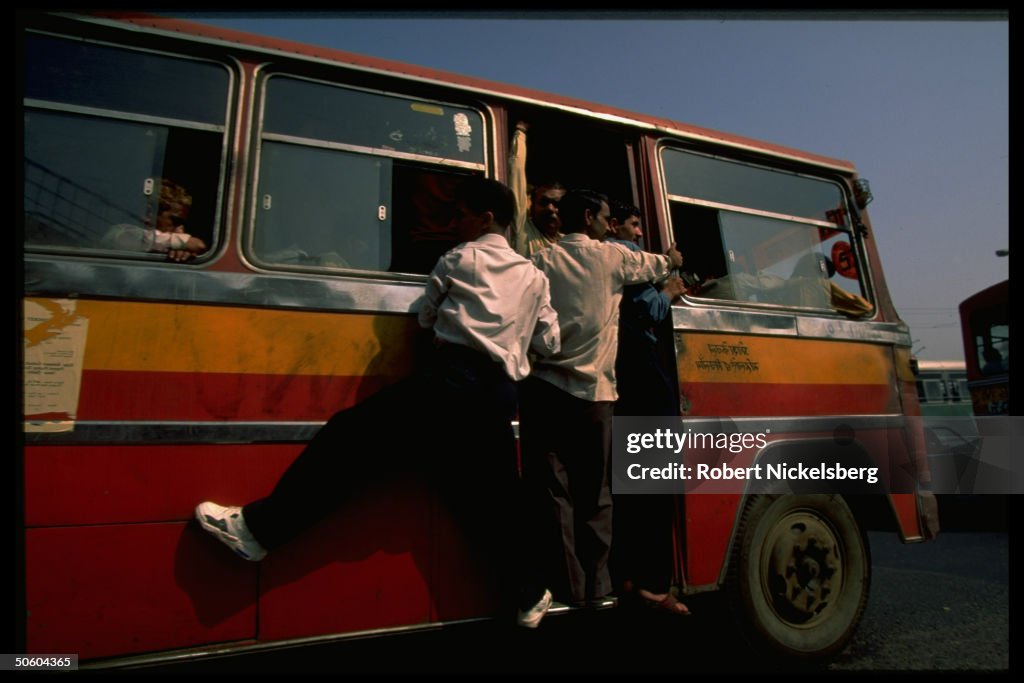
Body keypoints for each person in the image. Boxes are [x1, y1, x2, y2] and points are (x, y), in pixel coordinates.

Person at [194, 176, 561, 628]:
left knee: (351, 436)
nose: (454, 223)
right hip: (502, 393)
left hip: (452, 378)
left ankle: (257, 531)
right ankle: (529, 594)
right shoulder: (534, 277)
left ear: (485, 219)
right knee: (494, 497)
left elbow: (426, 315)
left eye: (462, 214)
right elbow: (550, 340)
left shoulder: (459, 258)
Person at [519, 188, 683, 608]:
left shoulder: (541, 260)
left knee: (555, 494)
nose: (609, 225)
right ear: (589, 216)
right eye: (605, 218)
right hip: (595, 394)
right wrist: (673, 260)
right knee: (596, 494)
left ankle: (567, 587)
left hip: (544, 390)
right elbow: (660, 264)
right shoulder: (612, 258)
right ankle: (598, 588)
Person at [604, 200, 690, 616]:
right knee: (653, 488)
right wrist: (670, 290)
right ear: (613, 224)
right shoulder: (625, 258)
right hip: (641, 375)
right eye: (634, 224)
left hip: (620, 378)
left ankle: (627, 576)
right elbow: (643, 311)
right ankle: (653, 586)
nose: (639, 232)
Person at [101, 179, 208, 262]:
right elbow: (128, 239)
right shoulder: (121, 233)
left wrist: (181, 255)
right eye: (174, 221)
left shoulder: (162, 248)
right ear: (149, 213)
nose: (181, 231)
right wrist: (180, 242)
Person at [508, 121, 566, 258]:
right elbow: (516, 172)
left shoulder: (570, 243)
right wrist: (520, 132)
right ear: (531, 206)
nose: (551, 208)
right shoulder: (522, 231)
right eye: (544, 202)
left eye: (557, 204)